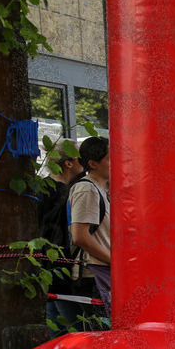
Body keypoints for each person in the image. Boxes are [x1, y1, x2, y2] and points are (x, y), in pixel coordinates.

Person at [37, 139, 86, 335]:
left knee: (56, 330)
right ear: (69, 163)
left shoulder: (40, 187)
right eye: (81, 159)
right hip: (60, 267)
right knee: (75, 333)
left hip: (48, 268)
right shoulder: (60, 193)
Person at [69, 136, 112, 316]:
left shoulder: (102, 189)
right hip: (92, 274)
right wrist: (114, 260)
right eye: (111, 158)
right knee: (102, 335)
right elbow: (80, 236)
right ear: (93, 164)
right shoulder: (87, 189)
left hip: (102, 270)